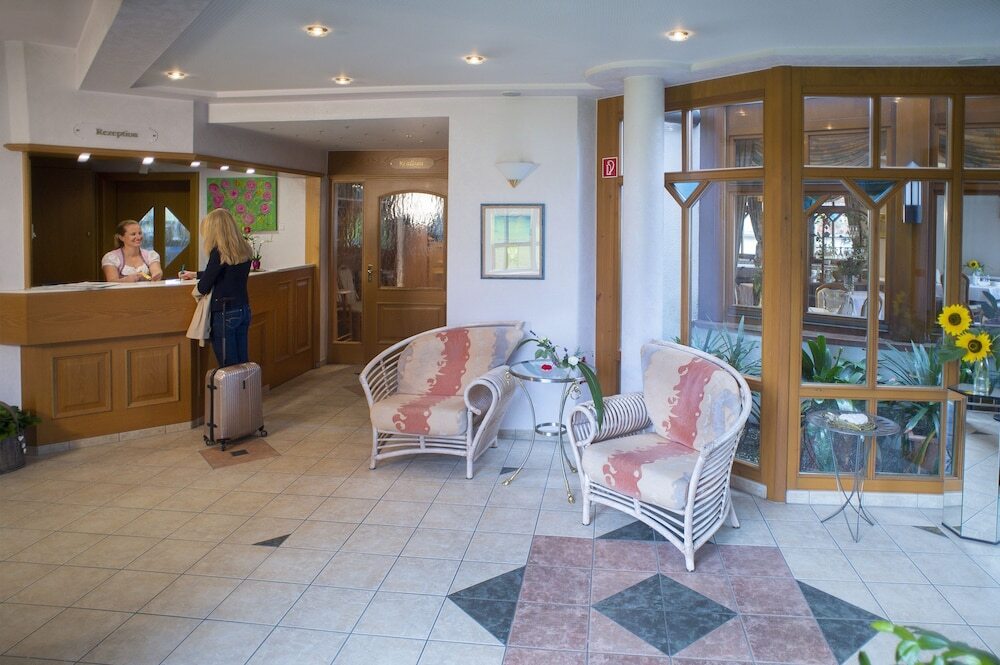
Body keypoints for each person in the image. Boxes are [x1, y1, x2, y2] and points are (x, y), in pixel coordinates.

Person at [179, 209, 253, 366]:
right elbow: (226, 272)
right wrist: (195, 274)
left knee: (229, 366)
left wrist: (198, 286)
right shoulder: (244, 249)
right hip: (243, 309)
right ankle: (246, 384)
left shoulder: (218, 252)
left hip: (225, 311)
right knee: (243, 362)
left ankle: (233, 384)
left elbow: (204, 286)